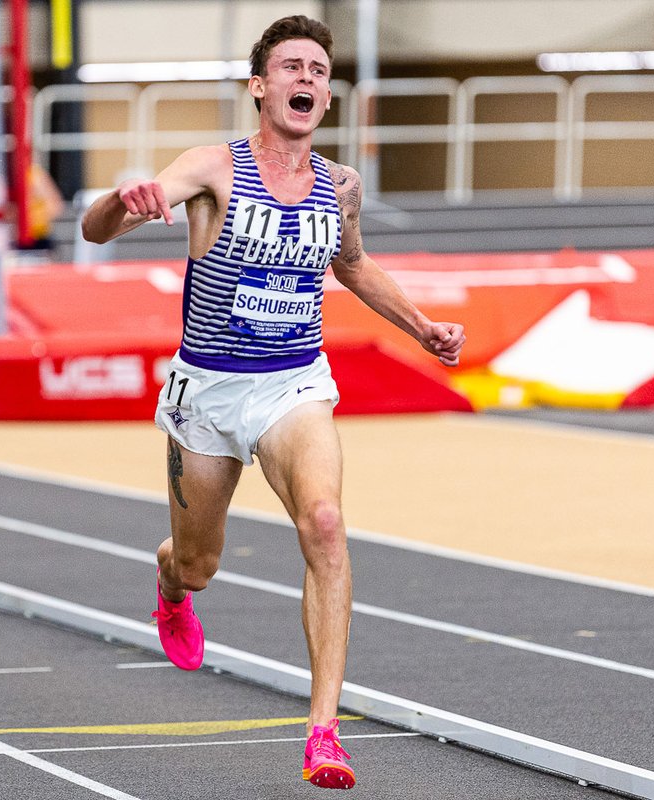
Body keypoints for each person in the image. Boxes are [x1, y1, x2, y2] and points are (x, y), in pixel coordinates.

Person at [81, 16, 465, 791]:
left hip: (294, 383)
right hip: (209, 393)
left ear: (326, 94)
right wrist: (124, 201)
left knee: (324, 525)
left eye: (319, 70)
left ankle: (323, 732)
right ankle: (169, 584)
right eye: (292, 66)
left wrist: (421, 326)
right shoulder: (212, 167)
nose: (308, 80)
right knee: (199, 563)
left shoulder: (340, 185)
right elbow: (96, 230)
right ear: (261, 86)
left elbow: (351, 265)